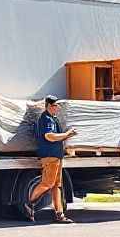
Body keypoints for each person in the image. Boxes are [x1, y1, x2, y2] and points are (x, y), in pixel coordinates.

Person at [24, 95, 76, 224]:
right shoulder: (46, 119)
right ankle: (29, 203)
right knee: (48, 183)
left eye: (57, 105)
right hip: (50, 156)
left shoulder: (53, 118)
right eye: (54, 105)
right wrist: (67, 134)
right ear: (49, 106)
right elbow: (49, 136)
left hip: (56, 156)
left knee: (56, 186)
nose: (57, 108)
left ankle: (59, 214)